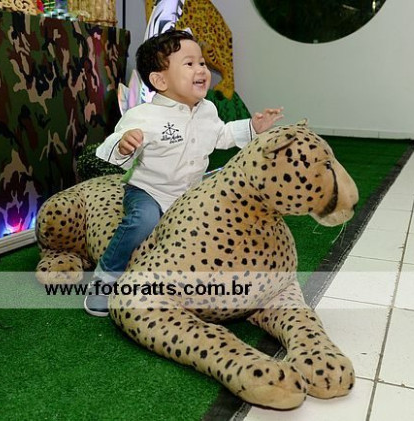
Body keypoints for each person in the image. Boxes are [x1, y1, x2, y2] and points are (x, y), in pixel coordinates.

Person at [84, 29, 283, 317]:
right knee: (143, 220)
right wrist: (124, 144)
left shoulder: (207, 110)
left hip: (189, 193)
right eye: (189, 64)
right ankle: (105, 278)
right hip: (149, 191)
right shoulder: (144, 115)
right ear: (160, 80)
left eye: (201, 62)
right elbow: (115, 142)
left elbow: (221, 135)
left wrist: (252, 127)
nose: (201, 69)